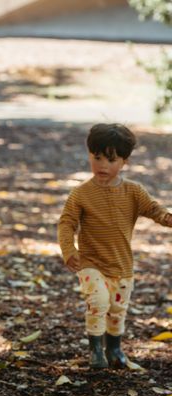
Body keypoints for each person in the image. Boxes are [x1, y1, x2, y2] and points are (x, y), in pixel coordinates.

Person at [58, 123, 172, 369]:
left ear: (124, 161)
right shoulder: (81, 194)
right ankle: (95, 351)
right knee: (98, 301)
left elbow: (154, 209)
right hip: (91, 262)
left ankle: (115, 348)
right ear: (89, 155)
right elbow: (66, 223)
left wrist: (167, 218)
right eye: (97, 158)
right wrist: (69, 250)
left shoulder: (133, 191)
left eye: (111, 160)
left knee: (117, 308)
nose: (102, 165)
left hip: (121, 264)